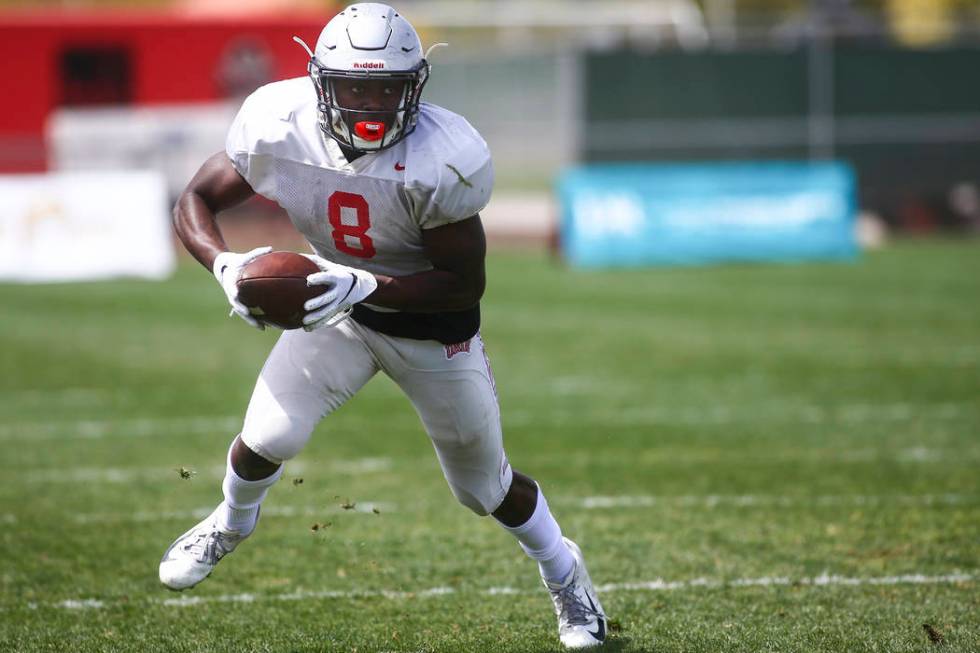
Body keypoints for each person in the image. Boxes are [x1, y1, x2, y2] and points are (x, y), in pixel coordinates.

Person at [158, 3, 606, 649]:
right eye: (354, 86)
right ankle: (230, 522)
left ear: (414, 86)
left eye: (387, 87)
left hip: (432, 325)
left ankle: (565, 571)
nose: (371, 101)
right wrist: (225, 265)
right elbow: (194, 198)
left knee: (484, 489)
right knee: (269, 433)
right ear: (321, 83)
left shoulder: (443, 156)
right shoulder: (278, 123)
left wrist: (364, 283)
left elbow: (465, 282)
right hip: (332, 310)